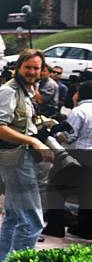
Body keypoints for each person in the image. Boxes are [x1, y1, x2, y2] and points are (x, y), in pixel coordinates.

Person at [0, 49, 53, 262]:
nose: (33, 72)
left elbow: (22, 122)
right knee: (32, 221)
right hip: (15, 159)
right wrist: (33, 141)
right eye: (28, 67)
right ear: (18, 67)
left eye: (37, 68)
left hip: (18, 158)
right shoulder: (9, 91)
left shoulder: (28, 90)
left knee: (14, 217)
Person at [44, 80, 92, 239]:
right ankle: (85, 229)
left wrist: (55, 133)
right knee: (87, 194)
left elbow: (69, 136)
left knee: (55, 189)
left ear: (80, 94)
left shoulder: (79, 111)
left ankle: (55, 227)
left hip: (77, 156)